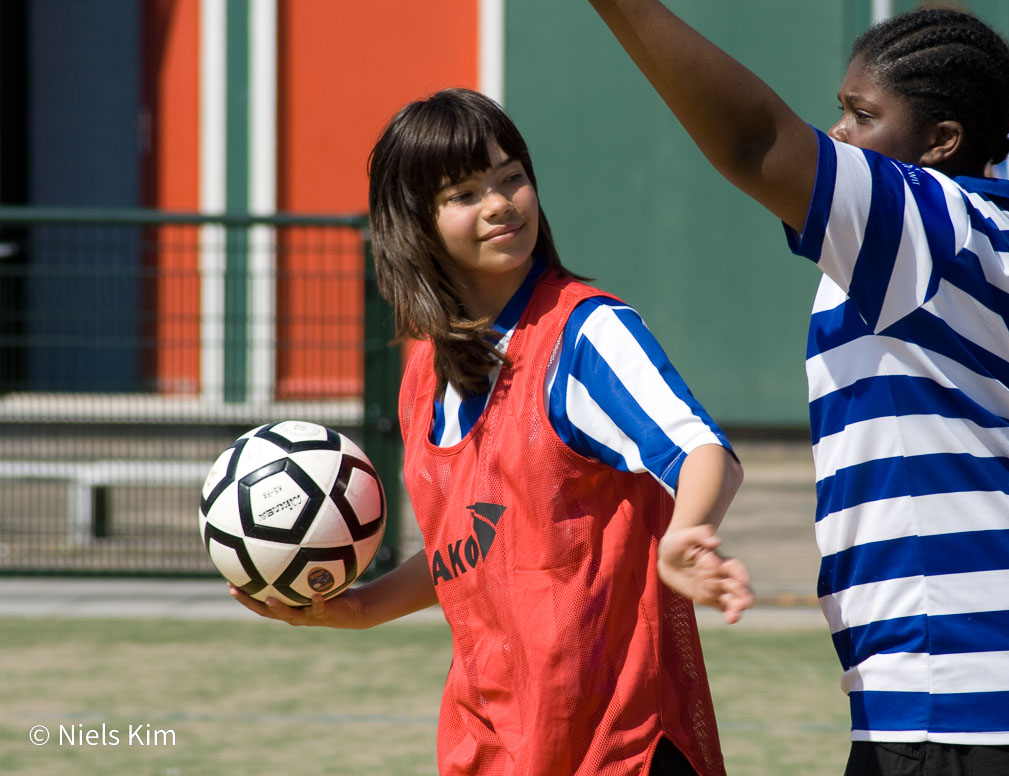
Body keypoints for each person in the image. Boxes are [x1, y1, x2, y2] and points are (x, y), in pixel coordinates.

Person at [552, 0, 1009, 775]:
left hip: (963, 699)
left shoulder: (921, 224)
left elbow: (750, 142)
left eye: (863, 116)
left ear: (940, 142)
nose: (837, 133)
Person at [230, 86, 752, 776]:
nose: (502, 203)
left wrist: (687, 531)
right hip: (492, 747)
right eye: (465, 193)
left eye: (512, 178)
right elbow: (470, 552)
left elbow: (701, 451)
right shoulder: (424, 367)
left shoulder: (586, 334)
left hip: (618, 747)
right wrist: (359, 610)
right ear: (413, 223)